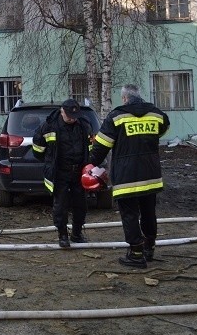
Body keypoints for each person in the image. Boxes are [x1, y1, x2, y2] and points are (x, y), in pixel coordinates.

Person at [88, 84, 170, 268]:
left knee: (130, 214)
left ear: (124, 98)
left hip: (127, 176)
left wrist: (91, 163)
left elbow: (102, 144)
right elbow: (164, 129)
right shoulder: (156, 114)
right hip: (150, 175)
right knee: (149, 212)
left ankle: (136, 254)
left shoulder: (117, 117)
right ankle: (149, 248)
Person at [32, 99, 93, 248]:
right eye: (69, 116)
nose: (72, 119)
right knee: (60, 205)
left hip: (79, 171)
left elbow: (90, 147)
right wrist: (50, 163)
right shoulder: (49, 126)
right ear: (62, 111)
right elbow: (38, 150)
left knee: (81, 204)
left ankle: (77, 233)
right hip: (60, 172)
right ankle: (63, 235)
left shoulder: (84, 125)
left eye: (75, 116)